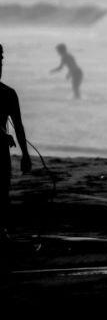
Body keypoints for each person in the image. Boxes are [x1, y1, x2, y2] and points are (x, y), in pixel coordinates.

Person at [0, 44, 32, 241]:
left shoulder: (8, 94)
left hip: (0, 152)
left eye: (0, 62)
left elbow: (19, 126)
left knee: (2, 191)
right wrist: (1, 133)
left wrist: (26, 155)